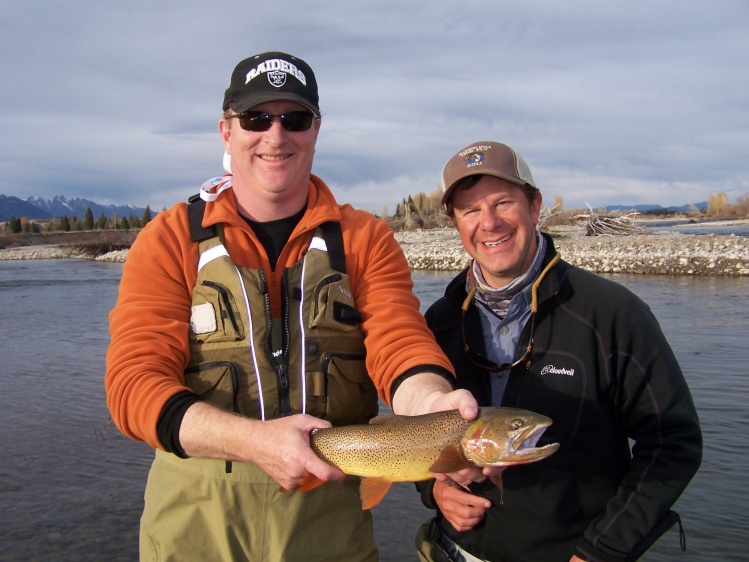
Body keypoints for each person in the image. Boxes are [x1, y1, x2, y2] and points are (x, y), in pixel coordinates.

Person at [105, 51, 477, 562]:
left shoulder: (365, 239)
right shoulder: (169, 240)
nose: (276, 136)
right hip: (193, 524)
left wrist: (432, 404)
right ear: (226, 131)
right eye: (257, 118)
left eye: (294, 119)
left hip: (328, 522)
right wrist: (254, 441)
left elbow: (400, 342)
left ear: (316, 130)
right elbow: (133, 386)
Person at [414, 141, 703, 562]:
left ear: (534, 206)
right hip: (451, 552)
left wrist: (600, 551)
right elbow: (412, 437)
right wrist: (435, 489)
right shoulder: (438, 321)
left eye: (503, 202)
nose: (489, 223)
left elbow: (673, 444)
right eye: (470, 210)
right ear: (455, 222)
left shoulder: (611, 314)